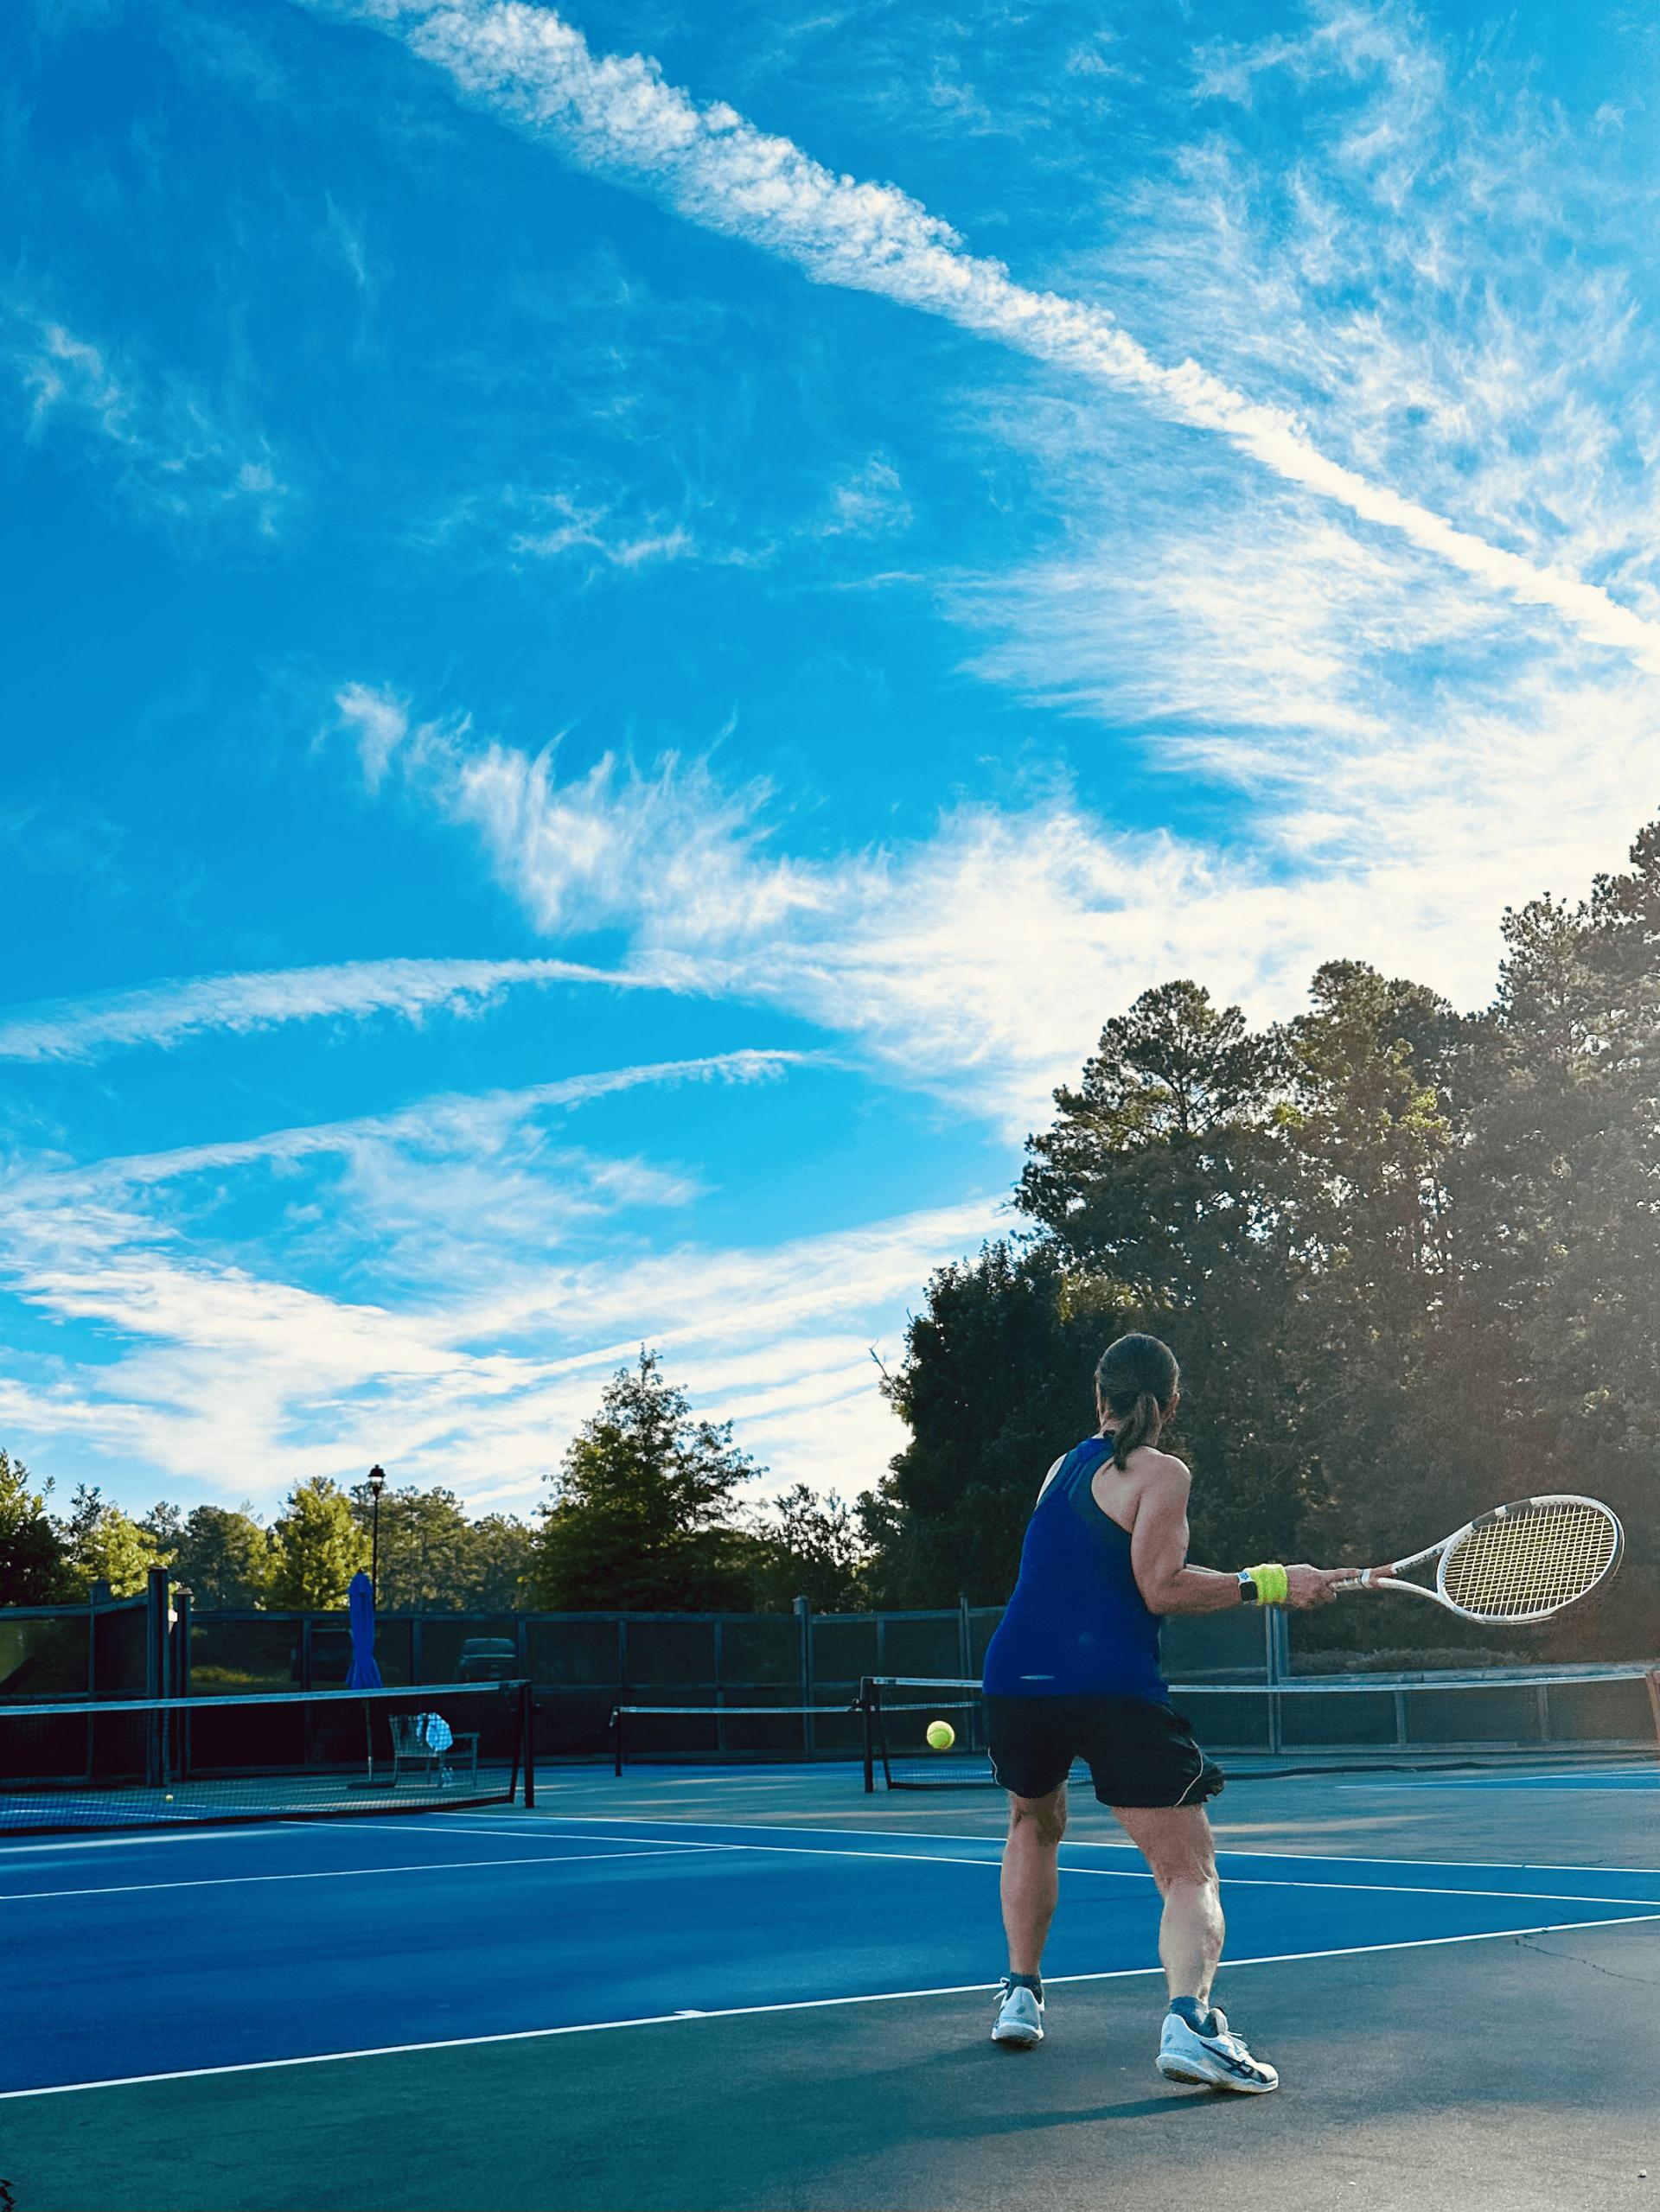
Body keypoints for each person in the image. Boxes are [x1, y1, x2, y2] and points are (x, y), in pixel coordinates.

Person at [980, 1330, 1342, 2092]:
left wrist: (1276, 1577)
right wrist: (1273, 1582)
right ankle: (1193, 2022)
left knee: (1032, 1822)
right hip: (1109, 1683)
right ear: (1171, 1403)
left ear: (1099, 1397)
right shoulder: (1163, 1473)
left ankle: (1020, 1993)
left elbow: (1081, 1572)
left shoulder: (1059, 1469)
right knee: (1188, 1869)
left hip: (1016, 1677)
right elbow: (1161, 1586)